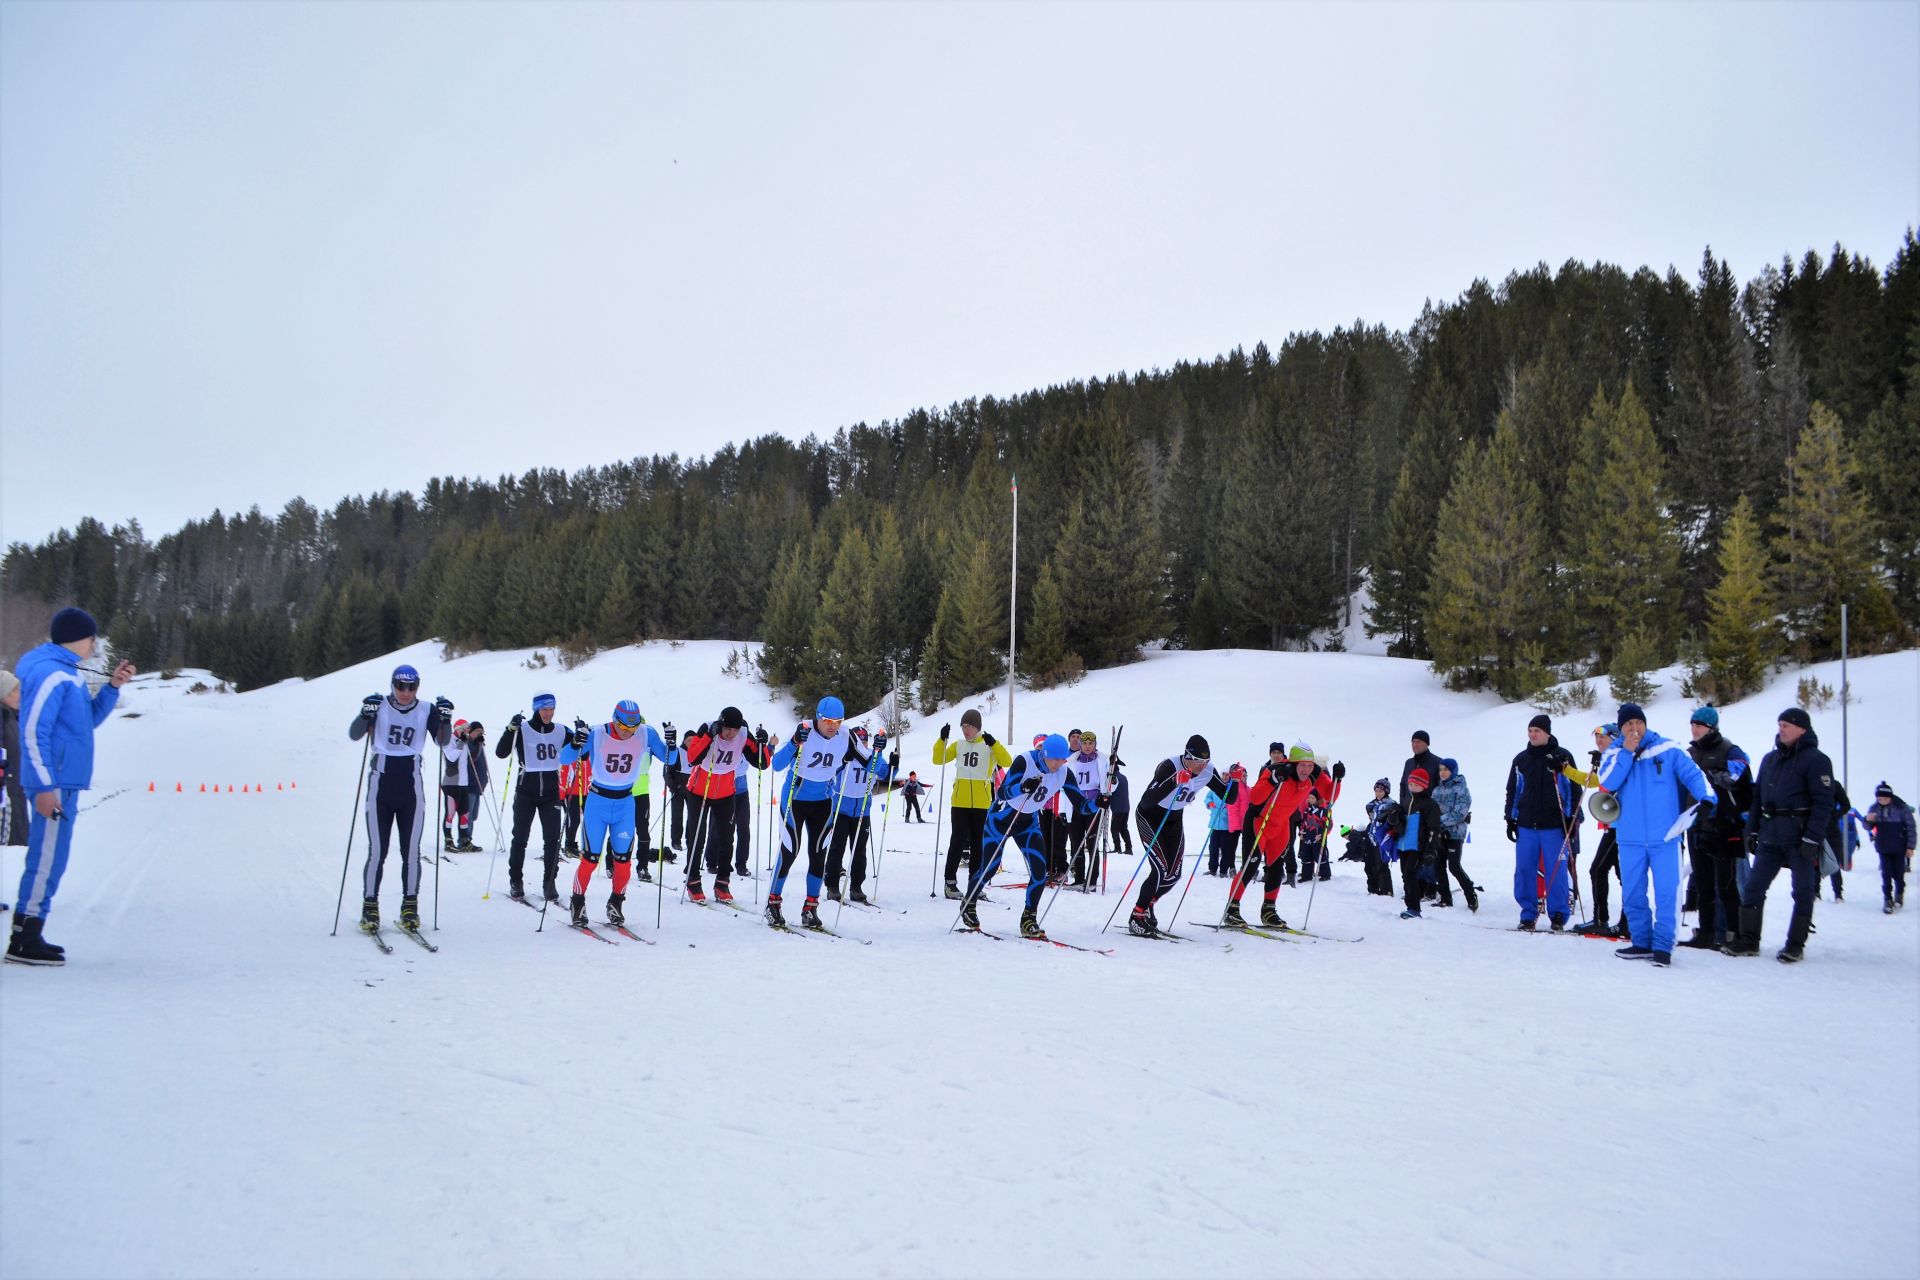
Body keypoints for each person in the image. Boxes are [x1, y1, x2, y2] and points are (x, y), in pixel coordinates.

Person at [7, 608, 135, 966]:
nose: (94, 643)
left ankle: (31, 930)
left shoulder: (68, 673)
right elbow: (34, 732)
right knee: (46, 858)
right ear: (77, 636)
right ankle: (24, 938)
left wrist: (112, 687)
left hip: (64, 780)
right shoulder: (51, 673)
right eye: (91, 636)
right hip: (55, 782)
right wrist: (45, 786)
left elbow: (86, 722)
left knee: (54, 858)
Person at [1595, 702, 1715, 966]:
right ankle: (1641, 941)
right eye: (1628, 725)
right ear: (1621, 728)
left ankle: (1662, 946)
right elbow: (1607, 783)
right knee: (1633, 893)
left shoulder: (1668, 748)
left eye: (1638, 723)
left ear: (1645, 723)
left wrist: (1707, 798)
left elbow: (1695, 774)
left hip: (1665, 837)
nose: (1634, 728)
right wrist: (1626, 752)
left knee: (1667, 893)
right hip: (1629, 837)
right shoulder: (1614, 752)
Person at [959, 732, 1100, 939]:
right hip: (1001, 820)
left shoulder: (1064, 773)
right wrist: (1022, 787)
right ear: (1044, 754)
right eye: (1054, 759)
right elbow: (1002, 793)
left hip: (1027, 823)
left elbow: (1081, 805)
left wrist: (1100, 802)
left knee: (1039, 872)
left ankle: (1029, 919)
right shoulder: (1025, 761)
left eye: (1062, 760)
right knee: (989, 869)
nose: (1057, 764)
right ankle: (969, 903)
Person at [348, 663, 454, 936]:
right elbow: (354, 734)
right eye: (400, 686)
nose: (406, 692)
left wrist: (445, 718)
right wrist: (364, 713)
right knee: (378, 851)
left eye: (411, 687)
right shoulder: (379, 705)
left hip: (411, 787)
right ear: (392, 685)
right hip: (380, 784)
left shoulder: (426, 709)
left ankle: (410, 905)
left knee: (411, 851)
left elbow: (442, 741)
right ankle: (370, 905)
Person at [1723, 708, 1833, 963]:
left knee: (1803, 891)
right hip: (1771, 834)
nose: (1781, 729)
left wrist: (1812, 838)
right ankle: (1749, 940)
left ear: (1802, 729)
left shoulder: (1816, 760)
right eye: (1780, 724)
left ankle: (1795, 944)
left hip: (1799, 835)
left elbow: (1823, 803)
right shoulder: (1769, 760)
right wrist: (1751, 829)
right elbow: (1757, 798)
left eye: (1787, 725)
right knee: (1753, 887)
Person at [559, 700, 670, 928]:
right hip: (598, 802)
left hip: (625, 804)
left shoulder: (646, 733)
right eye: (624, 728)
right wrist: (574, 742)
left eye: (633, 728)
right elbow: (565, 758)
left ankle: (616, 903)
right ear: (614, 719)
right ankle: (577, 902)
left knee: (623, 861)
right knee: (590, 859)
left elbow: (673, 759)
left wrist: (672, 744)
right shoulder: (597, 733)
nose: (629, 733)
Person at [768, 696, 871, 927]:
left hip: (823, 802)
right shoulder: (803, 731)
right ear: (818, 717)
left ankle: (810, 908)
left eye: (837, 720)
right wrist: (795, 742)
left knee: (818, 855)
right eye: (827, 720)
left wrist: (883, 752)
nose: (832, 725)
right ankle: (773, 903)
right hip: (795, 800)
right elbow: (776, 765)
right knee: (789, 851)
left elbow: (869, 762)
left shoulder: (846, 736)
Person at [1130, 735, 1237, 937]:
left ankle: (1149, 905)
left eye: (1205, 761)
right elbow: (1147, 800)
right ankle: (1136, 916)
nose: (1201, 766)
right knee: (1160, 870)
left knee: (1173, 875)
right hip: (1150, 818)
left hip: (1173, 820)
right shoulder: (1169, 766)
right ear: (1187, 757)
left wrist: (1236, 781)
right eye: (1196, 761)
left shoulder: (1206, 770)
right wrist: (1174, 781)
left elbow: (1228, 797)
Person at [1223, 746, 1340, 928]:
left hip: (1281, 825)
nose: (1306, 770)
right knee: (1250, 865)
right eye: (1302, 765)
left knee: (1277, 867)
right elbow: (1255, 797)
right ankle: (1232, 909)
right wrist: (1274, 779)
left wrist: (1338, 779)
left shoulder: (1314, 774)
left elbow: (1329, 796)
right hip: (1259, 821)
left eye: (1309, 765)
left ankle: (1268, 911)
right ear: (1293, 762)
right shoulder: (1275, 770)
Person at [681, 708, 774, 907]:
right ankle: (693, 881)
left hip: (725, 791)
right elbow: (693, 757)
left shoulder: (742, 733)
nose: (730, 734)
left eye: (734, 729)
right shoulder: (708, 728)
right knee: (697, 836)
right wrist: (709, 736)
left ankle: (722, 882)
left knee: (726, 838)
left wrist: (762, 744)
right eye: (726, 729)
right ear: (720, 724)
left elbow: (762, 763)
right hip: (700, 790)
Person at [1679, 707, 1753, 949]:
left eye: (1699, 725)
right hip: (1696, 823)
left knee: (1726, 882)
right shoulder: (1690, 753)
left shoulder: (1728, 749)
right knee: (1702, 880)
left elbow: (1742, 769)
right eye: (1693, 725)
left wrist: (1727, 776)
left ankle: (1731, 931)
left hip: (1723, 824)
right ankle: (1707, 932)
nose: (1694, 729)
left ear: (1711, 727)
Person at [1504, 713, 1579, 931]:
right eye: (1530, 730)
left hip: (1554, 825)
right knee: (1525, 870)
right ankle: (1528, 914)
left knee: (1556, 870)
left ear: (1547, 733)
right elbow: (1513, 790)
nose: (1533, 734)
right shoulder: (1521, 759)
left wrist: (1571, 818)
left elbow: (1572, 789)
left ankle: (1558, 914)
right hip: (1527, 824)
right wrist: (1510, 818)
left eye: (1537, 731)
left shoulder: (1562, 756)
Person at [496, 691, 568, 903]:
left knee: (552, 840)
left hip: (551, 793)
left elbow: (582, 749)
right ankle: (516, 881)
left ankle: (549, 882)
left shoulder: (562, 730)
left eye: (551, 709)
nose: (548, 713)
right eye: (545, 709)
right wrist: (510, 730)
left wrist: (582, 732)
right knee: (520, 838)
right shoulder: (523, 728)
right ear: (536, 708)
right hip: (525, 792)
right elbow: (501, 752)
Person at [932, 709, 1010, 899]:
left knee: (978, 845)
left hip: (982, 803)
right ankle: (950, 883)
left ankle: (975, 884)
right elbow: (937, 759)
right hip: (959, 802)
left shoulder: (988, 745)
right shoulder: (958, 745)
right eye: (964, 726)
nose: (966, 730)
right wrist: (941, 741)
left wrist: (994, 744)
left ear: (978, 728)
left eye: (970, 726)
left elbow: (1007, 761)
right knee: (957, 841)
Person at [826, 726, 898, 902]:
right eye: (859, 740)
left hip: (862, 810)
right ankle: (832, 886)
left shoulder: (871, 758)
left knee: (859, 851)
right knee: (837, 848)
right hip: (841, 809)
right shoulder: (845, 754)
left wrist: (894, 764)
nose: (862, 744)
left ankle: (856, 887)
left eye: (864, 740)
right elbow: (831, 771)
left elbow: (884, 774)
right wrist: (843, 760)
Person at [1570, 724, 1627, 937]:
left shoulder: (1620, 759)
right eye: (1597, 738)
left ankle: (1610, 921)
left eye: (1602, 738)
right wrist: (1567, 770)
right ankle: (1617, 921)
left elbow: (1600, 781)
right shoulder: (1611, 760)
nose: (1598, 741)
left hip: (1620, 826)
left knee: (1602, 870)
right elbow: (1593, 781)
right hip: (1613, 824)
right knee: (1611, 872)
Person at [1396, 768, 1445, 919]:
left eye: (1416, 784)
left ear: (1424, 785)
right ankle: (1410, 905)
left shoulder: (1429, 804)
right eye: (1410, 784)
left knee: (1411, 874)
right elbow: (1399, 823)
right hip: (1404, 845)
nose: (1413, 787)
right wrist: (1394, 818)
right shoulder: (1406, 802)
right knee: (1405, 874)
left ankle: (1414, 908)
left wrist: (1431, 849)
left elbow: (1433, 828)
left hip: (1418, 846)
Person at [1431, 758, 1478, 910]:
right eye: (1441, 770)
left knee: (1454, 866)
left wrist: (1438, 821)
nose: (1443, 773)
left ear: (1453, 771)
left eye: (1446, 770)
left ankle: (1471, 895)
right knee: (1438, 865)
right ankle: (1445, 898)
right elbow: (1432, 810)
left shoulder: (1461, 789)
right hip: (1439, 834)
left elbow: (1459, 813)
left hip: (1455, 834)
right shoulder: (1437, 789)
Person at [1065, 730, 1108, 886]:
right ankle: (1078, 879)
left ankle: (1092, 879)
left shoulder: (1102, 761)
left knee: (1092, 844)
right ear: (1080, 745)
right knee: (1076, 844)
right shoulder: (1072, 761)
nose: (1088, 746)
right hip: (1076, 806)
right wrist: (1064, 810)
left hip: (1094, 807)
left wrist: (1113, 779)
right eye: (1085, 743)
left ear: (1095, 745)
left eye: (1091, 743)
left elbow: (1110, 784)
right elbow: (1066, 787)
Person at [1863, 782, 1914, 912]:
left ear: (1891, 797)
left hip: (1899, 847)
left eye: (1885, 799)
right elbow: (1867, 827)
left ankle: (1899, 894)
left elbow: (1911, 827)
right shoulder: (1874, 808)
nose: (1882, 801)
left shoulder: (1901, 808)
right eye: (1879, 799)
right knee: (1886, 874)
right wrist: (1868, 820)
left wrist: (1910, 846)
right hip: (1883, 847)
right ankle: (1887, 899)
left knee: (1898, 873)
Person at [440, 719, 477, 852]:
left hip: (463, 782)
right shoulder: (448, 740)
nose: (465, 732)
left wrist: (475, 743)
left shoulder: (464, 741)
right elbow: (451, 758)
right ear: (457, 728)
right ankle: (448, 840)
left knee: (464, 813)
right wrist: (461, 743)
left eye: (466, 729)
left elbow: (470, 759)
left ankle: (464, 840)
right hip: (451, 782)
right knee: (450, 813)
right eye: (463, 729)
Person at [461, 720, 491, 850]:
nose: (480, 734)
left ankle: (467, 839)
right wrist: (472, 741)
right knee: (468, 814)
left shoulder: (479, 745)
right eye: (478, 732)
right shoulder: (469, 745)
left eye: (481, 732)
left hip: (478, 786)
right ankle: (465, 840)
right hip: (470, 784)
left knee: (474, 815)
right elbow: (469, 757)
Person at [559, 748, 589, 856]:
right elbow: (563, 773)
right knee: (574, 820)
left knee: (590, 821)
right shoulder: (571, 753)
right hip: (572, 793)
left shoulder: (591, 753)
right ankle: (569, 845)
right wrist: (561, 794)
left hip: (588, 792)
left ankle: (588, 846)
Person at [1399, 730, 1440, 809]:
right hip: (1409, 810)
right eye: (1413, 742)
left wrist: (1433, 809)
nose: (1415, 745)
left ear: (1427, 744)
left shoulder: (1437, 762)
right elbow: (1403, 785)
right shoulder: (1408, 763)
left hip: (1428, 812)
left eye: (1418, 742)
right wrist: (1403, 804)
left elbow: (1441, 788)